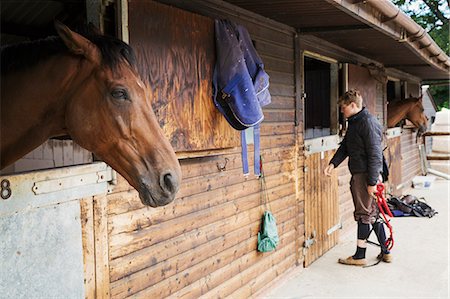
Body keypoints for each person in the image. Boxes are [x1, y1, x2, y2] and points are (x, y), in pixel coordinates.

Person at [324, 89, 392, 266]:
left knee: (363, 214)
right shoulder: (355, 122)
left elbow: (375, 154)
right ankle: (386, 251)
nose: (341, 111)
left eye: (343, 107)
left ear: (353, 105)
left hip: (364, 175)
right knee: (373, 213)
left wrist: (371, 182)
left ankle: (359, 256)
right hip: (364, 174)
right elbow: (346, 146)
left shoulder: (367, 123)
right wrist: (333, 163)